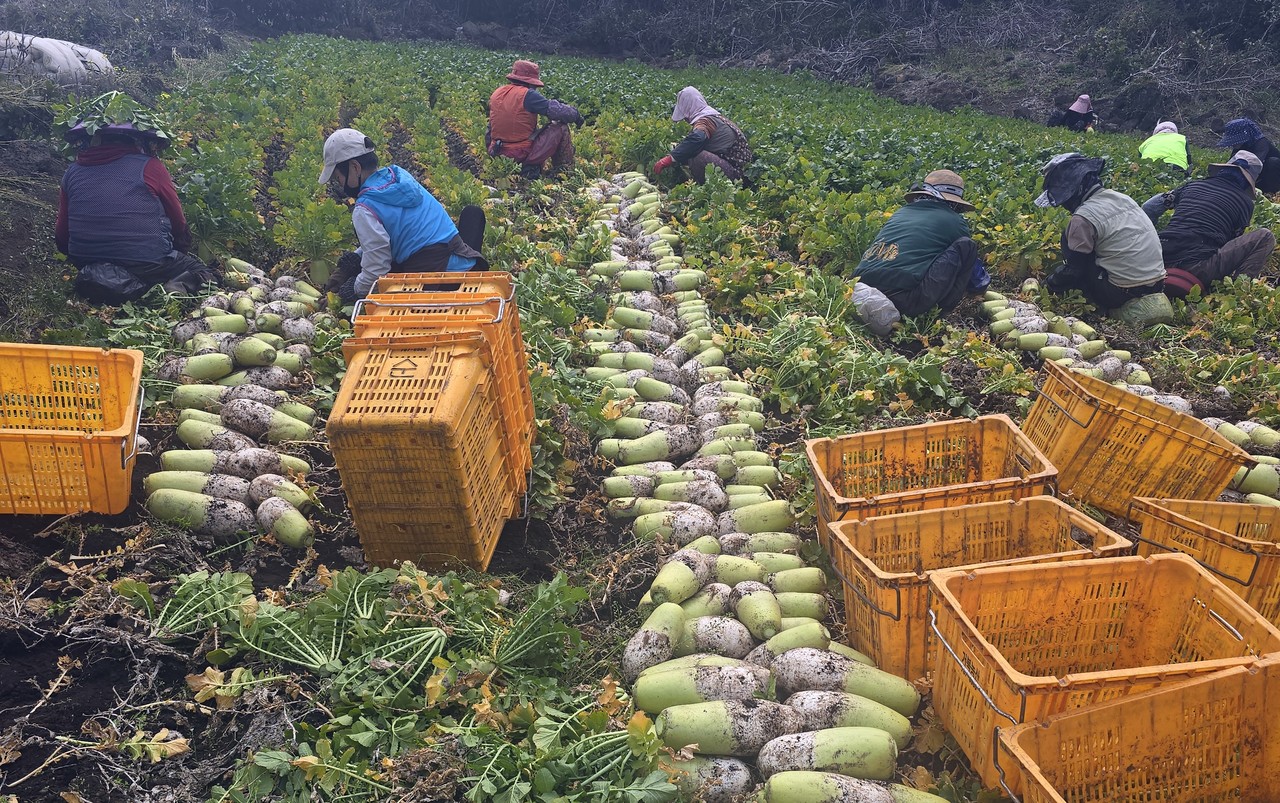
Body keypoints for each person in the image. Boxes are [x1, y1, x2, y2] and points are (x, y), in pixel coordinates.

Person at [56, 102, 215, 304]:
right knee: (201, 273)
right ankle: (168, 294)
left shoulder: (72, 172)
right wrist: (176, 251)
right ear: (136, 140)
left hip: (86, 260)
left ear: (91, 140)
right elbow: (178, 221)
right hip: (146, 262)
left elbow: (62, 235)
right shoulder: (151, 166)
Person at [318, 128, 487, 302]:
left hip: (438, 284)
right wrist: (355, 258)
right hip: (465, 264)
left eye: (338, 178)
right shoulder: (400, 180)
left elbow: (377, 269)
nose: (340, 185)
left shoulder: (364, 209)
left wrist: (354, 290)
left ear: (355, 167)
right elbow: (391, 236)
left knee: (371, 295)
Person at [1036, 153, 1170, 322]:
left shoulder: (1083, 217)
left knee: (1072, 246)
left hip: (1122, 291)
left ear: (1075, 192)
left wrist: (1049, 285)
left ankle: (1099, 308)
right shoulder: (1123, 198)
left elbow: (1075, 270)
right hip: (1158, 283)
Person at [1140, 151, 1276, 298]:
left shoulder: (1191, 186)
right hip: (1198, 268)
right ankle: (1238, 293)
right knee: (1265, 237)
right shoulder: (1245, 202)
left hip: (1157, 258)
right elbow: (1231, 241)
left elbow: (1149, 207)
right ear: (1250, 181)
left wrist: (1153, 239)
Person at [852, 169, 983, 317]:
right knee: (967, 246)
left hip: (858, 289)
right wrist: (980, 287)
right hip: (905, 299)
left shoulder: (901, 212)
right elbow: (973, 270)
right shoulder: (955, 222)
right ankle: (937, 315)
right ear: (954, 202)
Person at [486, 59, 583, 180]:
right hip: (520, 153)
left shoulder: (498, 92)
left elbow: (490, 128)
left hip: (497, 151)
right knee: (560, 128)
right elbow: (558, 112)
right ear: (530, 82)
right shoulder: (528, 95)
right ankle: (564, 171)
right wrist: (576, 114)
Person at [653, 87, 753, 184]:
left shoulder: (705, 121)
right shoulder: (712, 117)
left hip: (737, 175)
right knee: (688, 151)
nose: (686, 120)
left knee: (697, 155)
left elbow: (697, 139)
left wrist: (670, 159)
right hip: (736, 168)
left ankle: (704, 187)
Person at [1216, 117, 1280, 193]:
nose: (1233, 144)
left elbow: (1254, 165)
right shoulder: (1241, 146)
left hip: (1269, 177)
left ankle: (1270, 193)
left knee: (1273, 162)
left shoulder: (1261, 144)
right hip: (1257, 178)